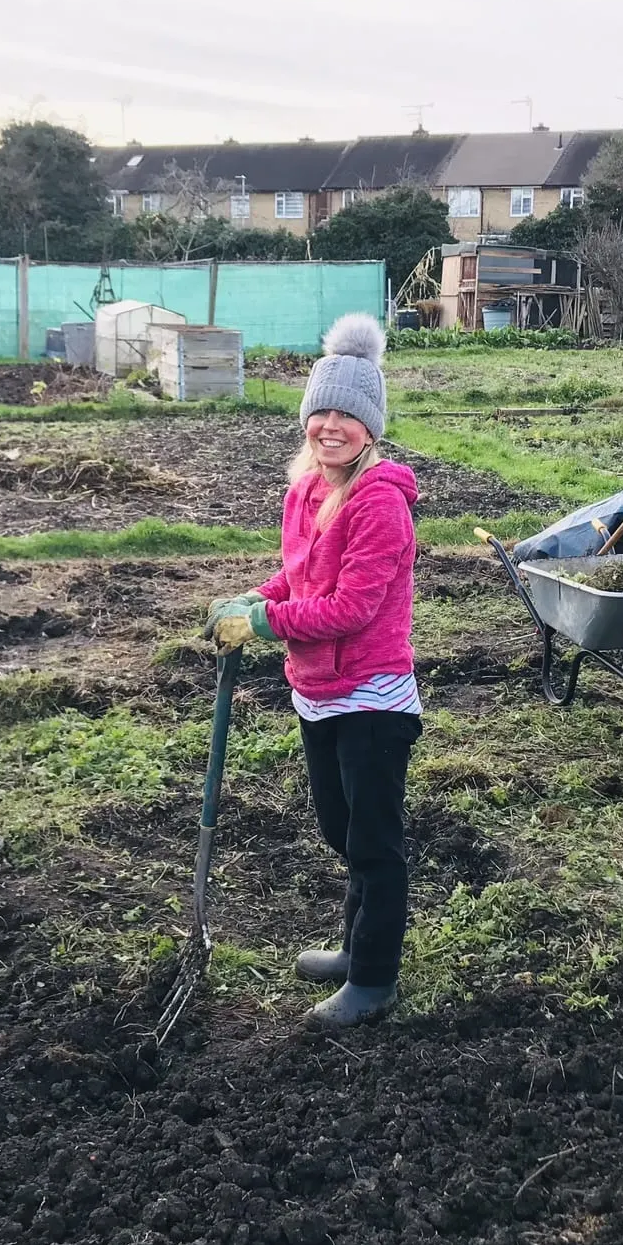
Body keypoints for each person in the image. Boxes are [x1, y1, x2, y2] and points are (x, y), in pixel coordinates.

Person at [207, 314, 421, 1028]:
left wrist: (267, 623)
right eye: (321, 411)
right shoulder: (305, 492)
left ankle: (373, 979)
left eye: (348, 416)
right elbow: (299, 579)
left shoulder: (381, 503)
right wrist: (254, 598)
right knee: (340, 828)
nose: (331, 426)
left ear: (371, 428)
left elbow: (351, 608)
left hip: (373, 696)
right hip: (318, 693)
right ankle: (356, 945)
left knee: (374, 842)